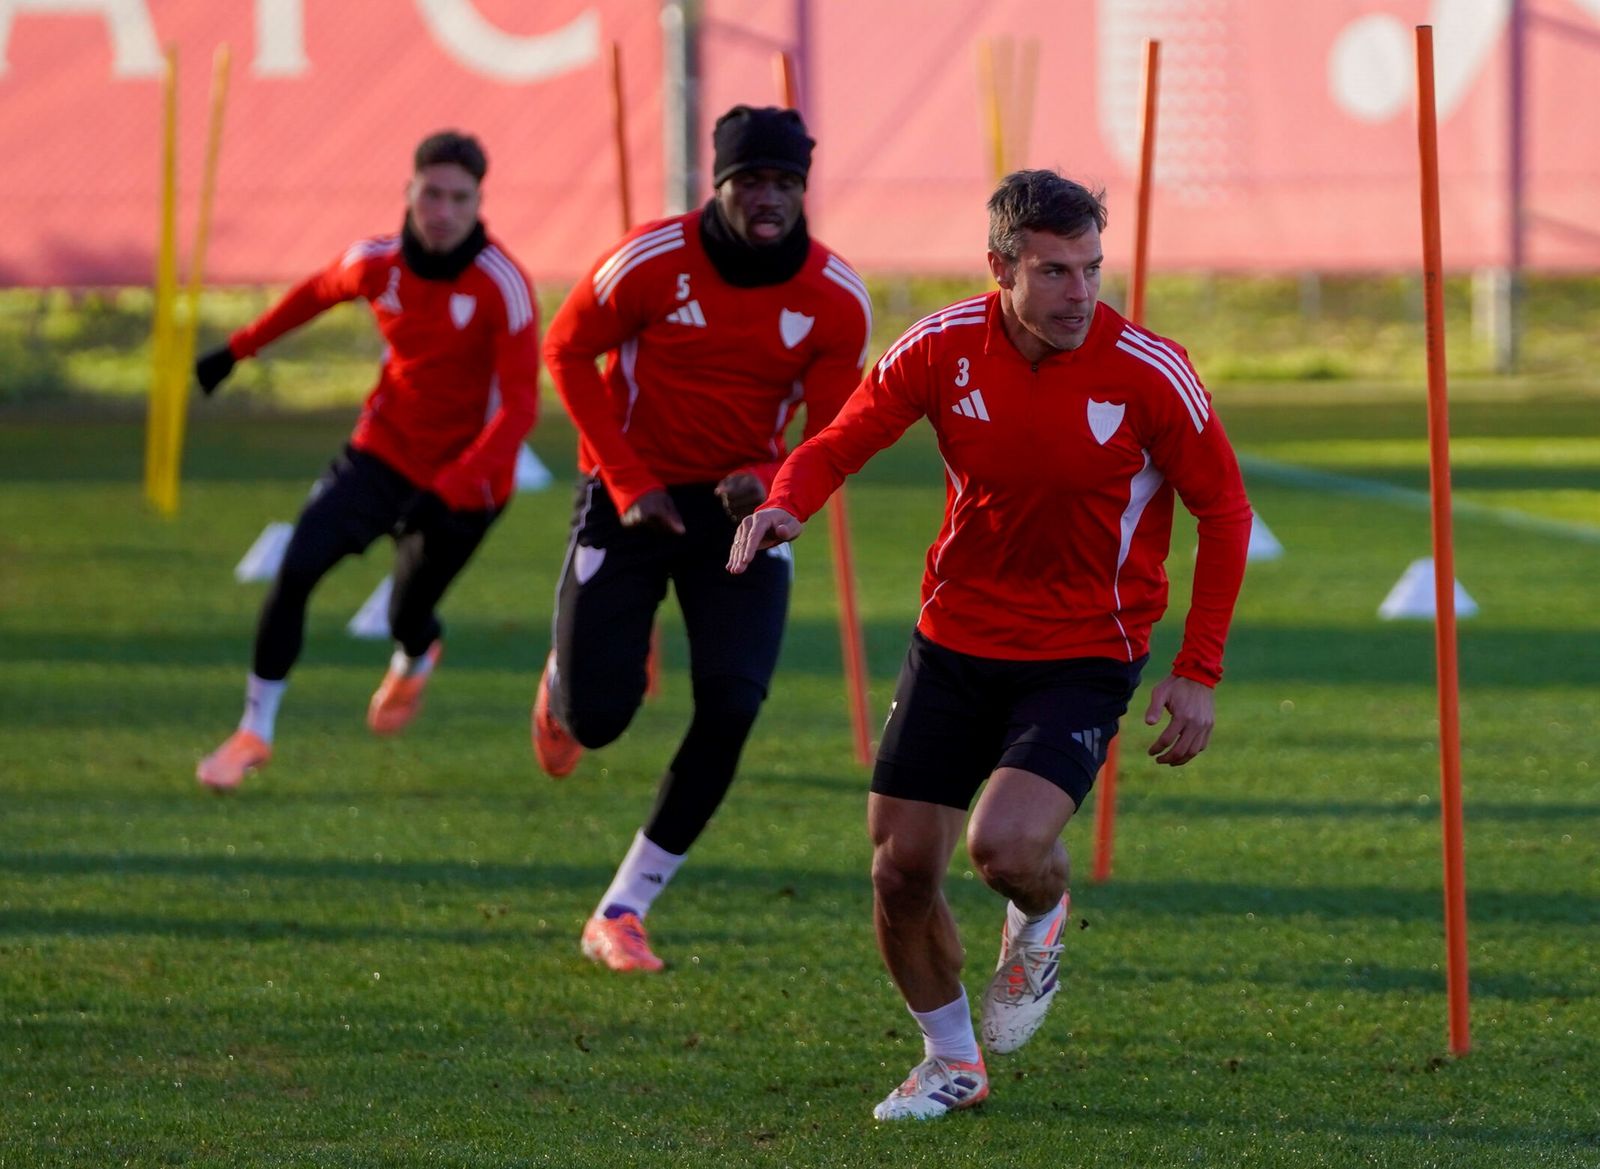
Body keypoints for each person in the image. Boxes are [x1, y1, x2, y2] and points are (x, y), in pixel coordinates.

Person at [729, 169, 1253, 1120]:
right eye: (1055, 272)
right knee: (898, 870)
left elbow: (1225, 509)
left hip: (1087, 647)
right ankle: (953, 1062)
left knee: (1004, 846)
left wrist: (1198, 670)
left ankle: (1041, 913)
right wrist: (784, 505)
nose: (1081, 294)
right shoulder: (940, 346)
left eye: (1092, 268)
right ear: (1000, 268)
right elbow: (842, 439)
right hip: (957, 636)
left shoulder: (1149, 369)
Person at [535, 105, 873, 973]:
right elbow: (567, 351)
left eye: (785, 183)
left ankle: (623, 907)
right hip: (631, 493)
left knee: (732, 703)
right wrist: (628, 482)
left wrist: (769, 477)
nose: (769, 198)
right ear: (717, 185)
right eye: (751, 181)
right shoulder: (651, 259)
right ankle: (568, 670)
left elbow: (831, 429)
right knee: (597, 721)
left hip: (744, 508)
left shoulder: (835, 295)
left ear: (804, 189)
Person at [193, 130, 539, 791]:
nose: (442, 211)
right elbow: (315, 293)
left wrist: (454, 485)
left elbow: (519, 410)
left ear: (478, 204)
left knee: (409, 612)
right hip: (381, 452)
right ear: (409, 193)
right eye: (431, 194)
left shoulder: (504, 284)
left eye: (458, 198)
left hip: (469, 482)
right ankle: (252, 732)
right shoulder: (377, 263)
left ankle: (415, 655)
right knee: (296, 569)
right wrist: (237, 350)